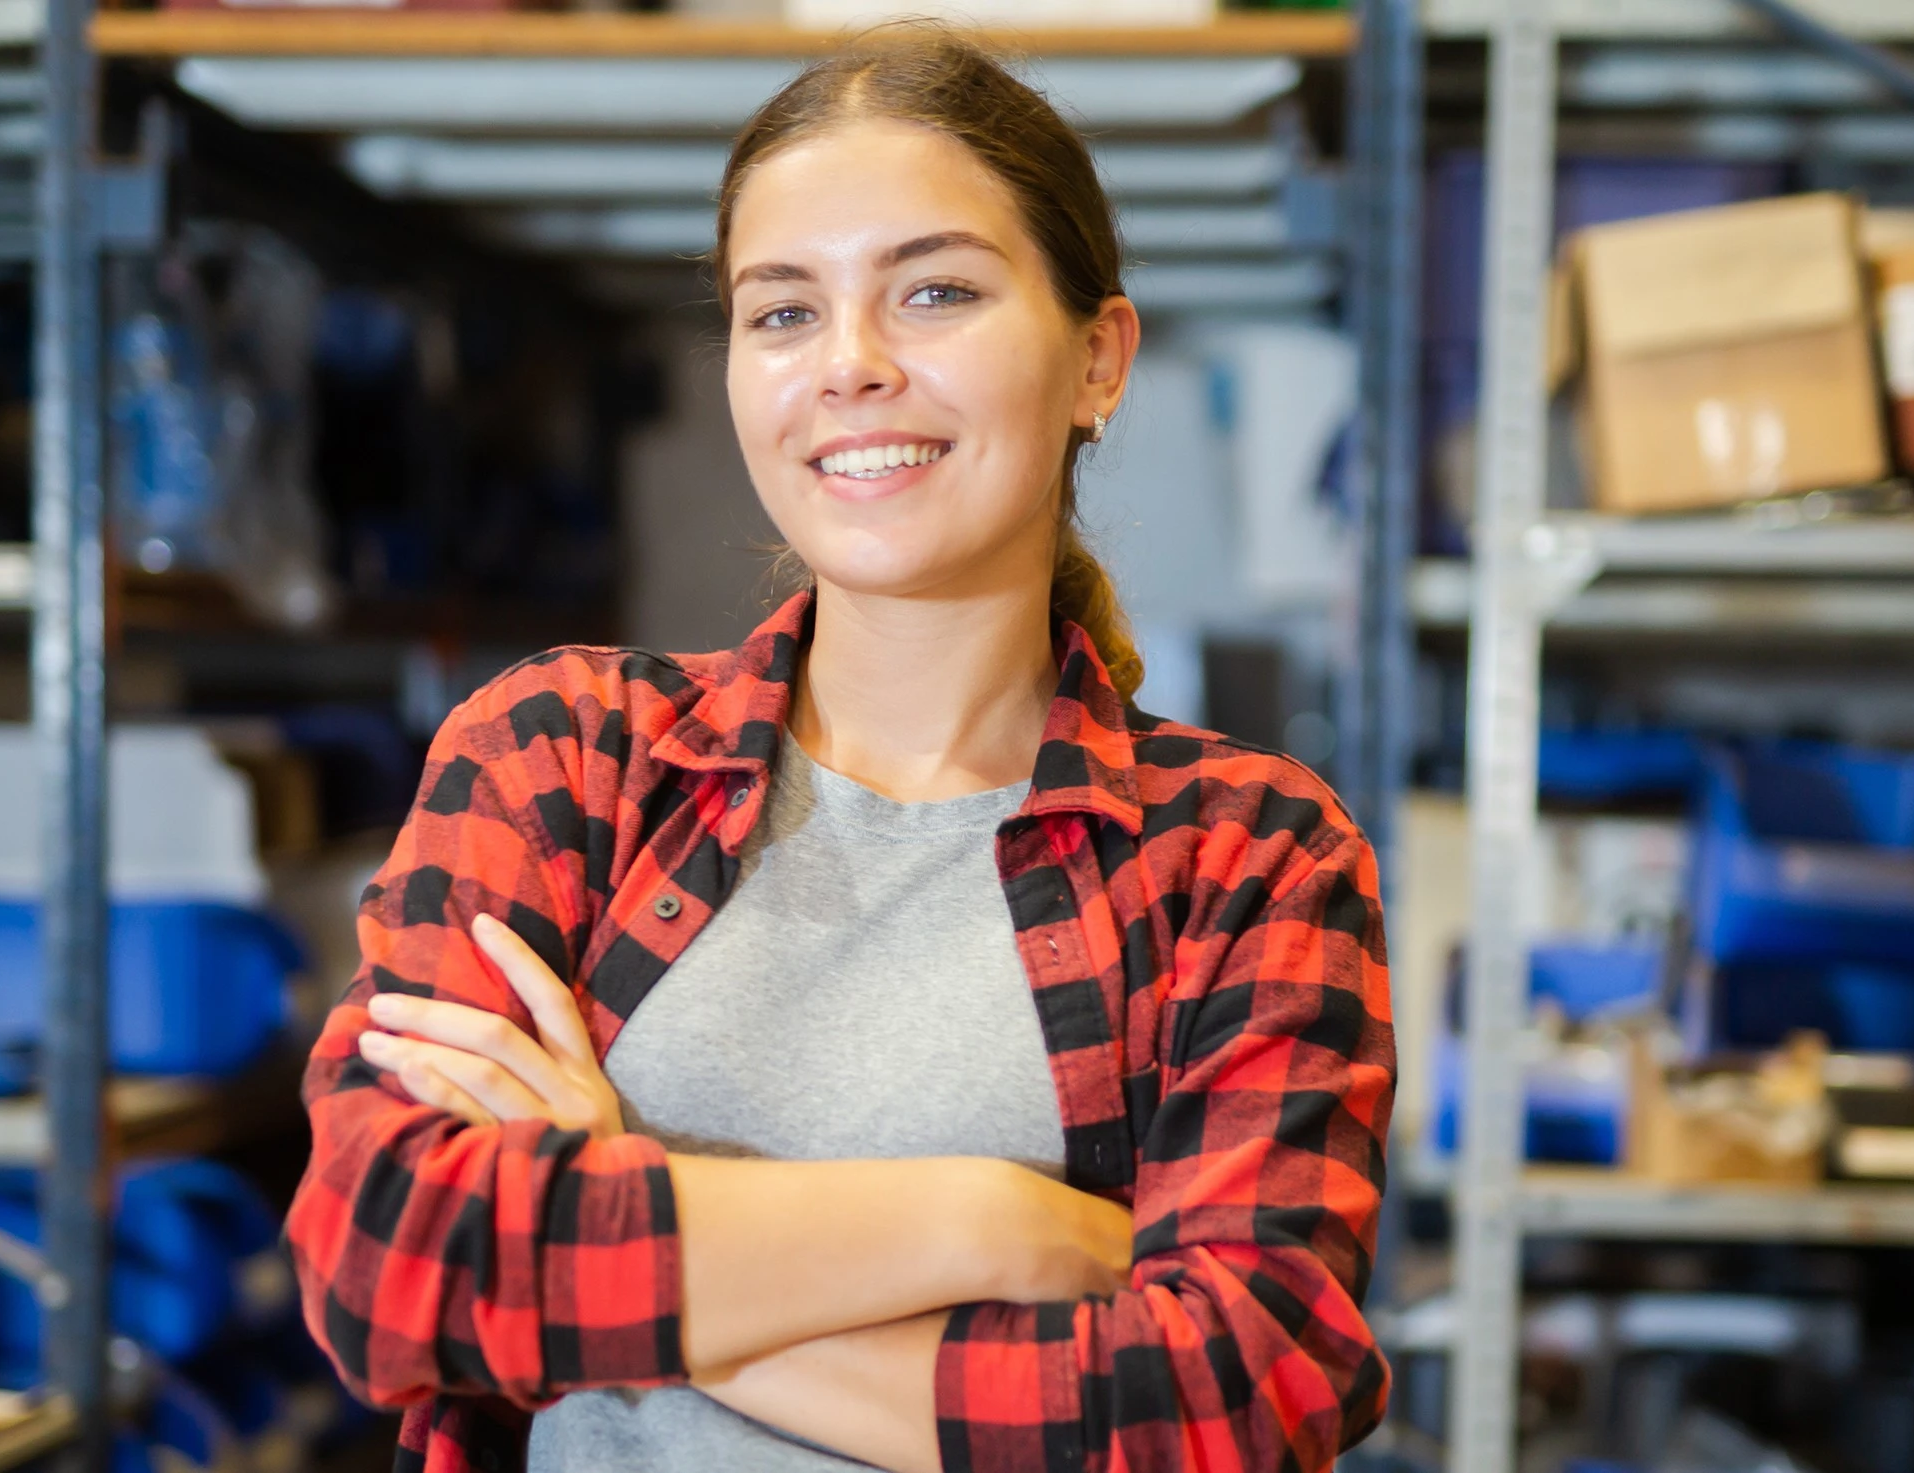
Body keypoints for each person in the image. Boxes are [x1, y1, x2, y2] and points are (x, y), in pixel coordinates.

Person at [286, 26, 1395, 1473]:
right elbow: (389, 1263)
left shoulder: (1247, 856)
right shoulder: (563, 757)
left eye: (934, 292)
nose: (850, 367)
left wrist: (617, 1198)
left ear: (1096, 362)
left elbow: (1229, 1403)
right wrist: (988, 1224)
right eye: (783, 313)